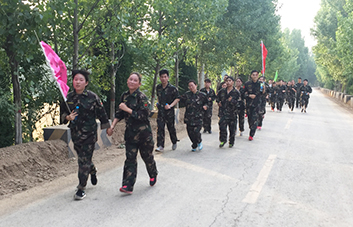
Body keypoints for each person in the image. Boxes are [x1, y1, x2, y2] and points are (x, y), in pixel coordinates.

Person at [61, 70, 110, 200]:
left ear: (86, 83)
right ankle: (92, 169)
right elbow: (62, 115)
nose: (78, 82)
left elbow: (102, 113)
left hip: (89, 134)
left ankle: (81, 187)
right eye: (75, 79)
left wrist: (108, 129)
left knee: (83, 160)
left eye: (81, 80)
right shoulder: (68, 97)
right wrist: (67, 117)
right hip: (76, 134)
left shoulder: (92, 97)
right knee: (83, 159)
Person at [107, 72, 158, 194]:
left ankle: (153, 173)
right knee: (130, 159)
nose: (132, 82)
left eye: (135, 80)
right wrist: (112, 126)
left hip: (144, 135)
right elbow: (119, 113)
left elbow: (144, 116)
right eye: (131, 79)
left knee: (147, 157)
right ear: (127, 81)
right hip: (130, 134)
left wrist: (128, 110)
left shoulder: (142, 98)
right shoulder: (124, 96)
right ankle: (127, 185)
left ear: (139, 84)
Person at [177, 80, 208, 151]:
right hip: (189, 117)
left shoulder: (202, 95)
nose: (191, 87)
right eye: (189, 86)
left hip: (198, 117)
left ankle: (199, 142)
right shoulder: (187, 95)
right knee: (190, 133)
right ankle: (194, 144)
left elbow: (207, 103)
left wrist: (205, 106)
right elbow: (180, 99)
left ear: (196, 85)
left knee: (196, 131)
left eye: (192, 85)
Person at [155, 69, 179, 152]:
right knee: (160, 128)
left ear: (168, 77)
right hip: (161, 111)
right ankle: (160, 145)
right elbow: (158, 96)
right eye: (162, 77)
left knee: (171, 127)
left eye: (165, 77)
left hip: (169, 112)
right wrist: (157, 103)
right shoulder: (158, 87)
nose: (163, 79)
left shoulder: (172, 88)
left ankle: (174, 141)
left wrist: (171, 105)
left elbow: (177, 98)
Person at [216, 76, 240, 148]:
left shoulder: (236, 92)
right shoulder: (222, 91)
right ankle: (223, 140)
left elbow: (239, 103)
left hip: (232, 114)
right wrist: (218, 102)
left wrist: (232, 101)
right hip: (223, 113)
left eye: (230, 80)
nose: (228, 82)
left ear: (233, 82)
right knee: (222, 127)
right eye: (227, 81)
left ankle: (231, 142)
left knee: (232, 129)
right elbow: (217, 98)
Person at [243, 70, 263, 141]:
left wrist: (262, 91)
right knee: (250, 119)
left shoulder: (260, 84)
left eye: (256, 75)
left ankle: (251, 135)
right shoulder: (247, 83)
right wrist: (249, 95)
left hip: (257, 104)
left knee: (255, 120)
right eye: (253, 75)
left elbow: (262, 93)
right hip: (249, 105)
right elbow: (243, 93)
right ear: (251, 76)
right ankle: (251, 127)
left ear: (258, 76)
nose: (254, 76)